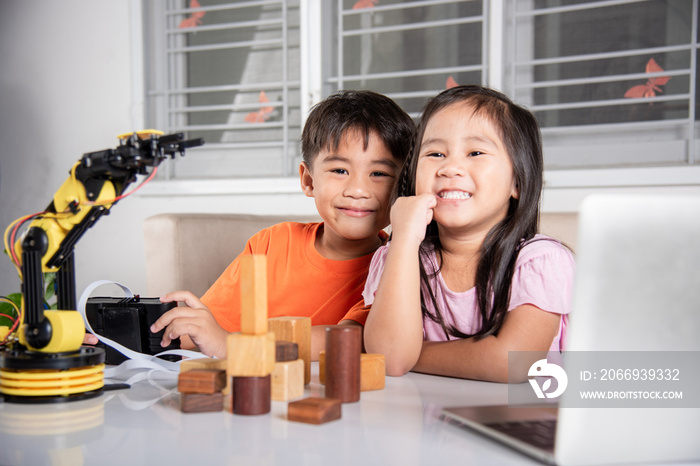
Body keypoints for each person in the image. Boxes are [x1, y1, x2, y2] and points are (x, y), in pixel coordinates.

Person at [150, 90, 415, 360]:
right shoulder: (270, 244)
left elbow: (353, 339)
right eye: (339, 170)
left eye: (379, 174)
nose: (358, 190)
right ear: (308, 181)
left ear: (403, 187)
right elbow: (206, 330)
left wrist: (230, 345)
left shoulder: (396, 265)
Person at [362, 85, 575, 382]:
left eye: (475, 152)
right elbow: (391, 360)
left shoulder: (540, 261)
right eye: (436, 153)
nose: (450, 168)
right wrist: (404, 240)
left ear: (518, 182)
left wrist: (414, 354)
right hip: (425, 420)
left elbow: (514, 363)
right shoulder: (398, 258)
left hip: (519, 422)